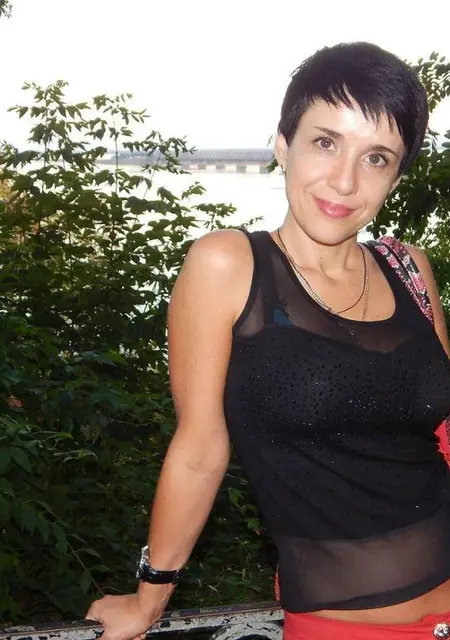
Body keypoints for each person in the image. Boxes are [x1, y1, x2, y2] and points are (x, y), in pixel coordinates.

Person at [86, 42, 450, 640]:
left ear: (396, 174)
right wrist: (150, 599)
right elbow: (200, 449)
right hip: (343, 625)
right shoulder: (229, 265)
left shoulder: (408, 267)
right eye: (326, 142)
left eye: (376, 158)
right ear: (283, 144)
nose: (345, 180)